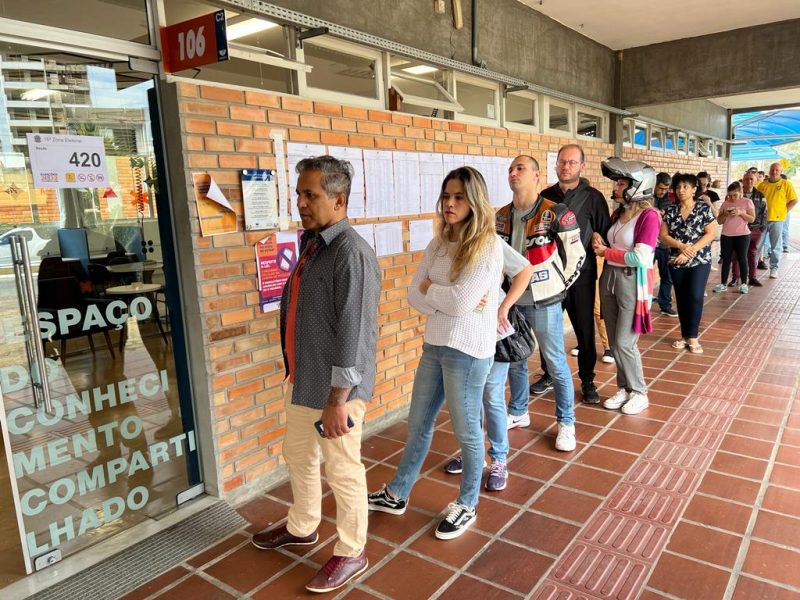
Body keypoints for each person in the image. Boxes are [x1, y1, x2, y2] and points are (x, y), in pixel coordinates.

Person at [251, 156, 380, 594]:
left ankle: (351, 550)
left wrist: (338, 400)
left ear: (338, 199)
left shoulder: (351, 253)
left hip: (337, 391)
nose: (301, 202)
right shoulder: (314, 243)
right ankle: (303, 525)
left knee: (342, 469)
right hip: (306, 379)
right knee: (297, 454)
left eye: (311, 195)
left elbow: (354, 334)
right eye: (299, 193)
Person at [368, 167, 503, 540]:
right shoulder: (439, 243)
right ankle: (397, 493)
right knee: (418, 424)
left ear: (474, 201)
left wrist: (436, 291)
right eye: (446, 195)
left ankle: (467, 503)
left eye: (458, 197)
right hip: (435, 346)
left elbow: (460, 303)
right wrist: (443, 295)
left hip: (468, 352)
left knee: (466, 433)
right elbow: (414, 295)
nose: (449, 203)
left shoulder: (487, 246)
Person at [498, 155, 585, 451]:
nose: (513, 173)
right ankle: (519, 411)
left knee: (556, 363)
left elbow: (577, 256)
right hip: (511, 301)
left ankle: (566, 422)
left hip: (545, 302)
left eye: (520, 168)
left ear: (537, 175)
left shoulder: (556, 212)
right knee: (516, 360)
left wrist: (557, 286)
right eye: (511, 169)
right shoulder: (500, 216)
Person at [443, 244, 535, 491]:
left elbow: (525, 270)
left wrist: (503, 307)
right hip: (465, 332)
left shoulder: (489, 240)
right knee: (469, 398)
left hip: (493, 332)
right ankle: (473, 454)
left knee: (491, 396)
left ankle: (499, 459)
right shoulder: (449, 242)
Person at [535, 144, 610, 404]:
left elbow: (604, 232)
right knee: (548, 328)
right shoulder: (544, 196)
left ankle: (588, 379)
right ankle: (548, 374)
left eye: (571, 162)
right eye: (562, 162)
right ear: (556, 165)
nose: (565, 166)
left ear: (581, 166)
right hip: (549, 275)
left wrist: (601, 241)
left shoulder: (593, 197)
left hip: (582, 274)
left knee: (584, 329)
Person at [593, 158, 660, 415]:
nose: (617, 187)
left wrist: (606, 252)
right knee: (613, 338)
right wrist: (601, 240)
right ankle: (624, 388)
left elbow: (641, 257)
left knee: (624, 342)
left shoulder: (649, 216)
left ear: (638, 185)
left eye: (622, 182)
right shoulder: (618, 214)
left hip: (632, 281)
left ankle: (639, 391)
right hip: (609, 277)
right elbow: (610, 242)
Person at [660, 173, 717, 354]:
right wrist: (680, 246)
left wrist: (690, 250)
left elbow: (710, 234)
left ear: (694, 189)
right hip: (677, 260)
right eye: (678, 187)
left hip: (699, 260)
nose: (681, 190)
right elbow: (663, 236)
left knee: (695, 296)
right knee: (682, 298)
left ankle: (693, 336)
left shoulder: (703, 208)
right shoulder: (671, 210)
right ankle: (685, 335)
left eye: (685, 187)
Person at [757, 162, 797, 278]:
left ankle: (774, 269)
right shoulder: (762, 185)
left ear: (781, 172)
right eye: (772, 169)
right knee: (758, 245)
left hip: (777, 220)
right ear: (769, 171)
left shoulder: (786, 184)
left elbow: (794, 200)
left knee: (775, 246)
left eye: (777, 170)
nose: (774, 172)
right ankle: (752, 268)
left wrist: (784, 211)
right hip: (762, 220)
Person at [714, 181, 754, 294]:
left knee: (742, 258)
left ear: (740, 192)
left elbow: (752, 219)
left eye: (734, 195)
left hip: (742, 235)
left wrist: (741, 213)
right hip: (727, 235)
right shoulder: (726, 203)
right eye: (730, 195)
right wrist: (725, 214)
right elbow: (719, 221)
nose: (732, 198)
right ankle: (723, 284)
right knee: (726, 260)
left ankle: (744, 284)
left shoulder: (747, 202)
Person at [731, 171, 767, 287]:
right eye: (746, 179)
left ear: (755, 180)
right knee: (737, 253)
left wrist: (761, 228)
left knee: (752, 253)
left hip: (755, 229)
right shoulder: (736, 195)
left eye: (751, 179)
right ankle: (735, 277)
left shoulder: (761, 195)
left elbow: (764, 213)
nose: (749, 181)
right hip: (738, 229)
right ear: (743, 180)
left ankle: (752, 277)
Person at [652, 172, 678, 316]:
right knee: (645, 276)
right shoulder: (647, 199)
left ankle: (665, 304)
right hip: (649, 245)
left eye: (666, 189)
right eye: (660, 188)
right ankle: (643, 302)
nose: (663, 192)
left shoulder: (670, 202)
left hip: (665, 245)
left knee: (667, 277)